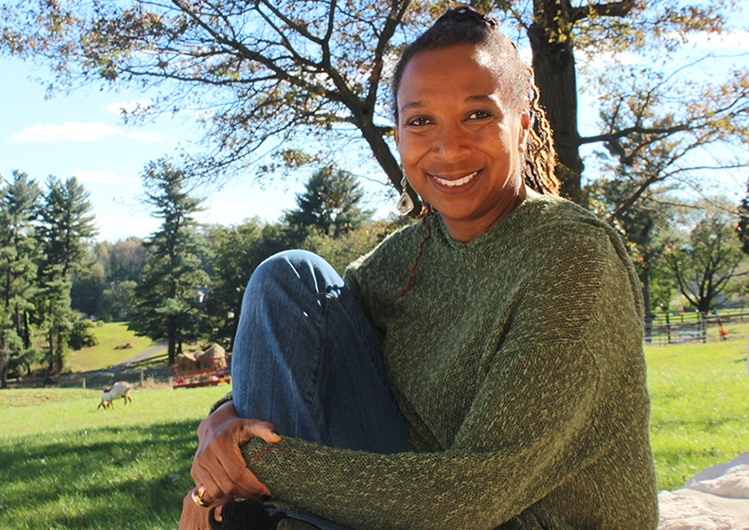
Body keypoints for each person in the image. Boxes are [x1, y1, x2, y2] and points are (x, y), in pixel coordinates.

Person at [180, 6, 659, 529]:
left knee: (238, 519)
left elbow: (472, 494)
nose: (448, 148)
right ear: (400, 136)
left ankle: (260, 518)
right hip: (414, 498)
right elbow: (299, 350)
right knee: (288, 277)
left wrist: (251, 468)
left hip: (515, 516)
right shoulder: (411, 254)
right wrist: (222, 421)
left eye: (478, 114)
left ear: (521, 125)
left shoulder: (572, 258)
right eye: (421, 121)